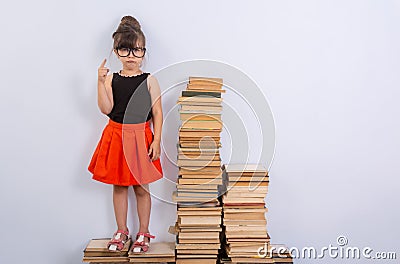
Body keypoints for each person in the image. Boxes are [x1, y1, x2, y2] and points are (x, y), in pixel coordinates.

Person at [88, 15, 163, 253]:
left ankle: (143, 232)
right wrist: (100, 83)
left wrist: (157, 140)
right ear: (116, 51)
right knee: (119, 186)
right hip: (116, 136)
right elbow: (106, 109)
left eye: (137, 51)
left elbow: (158, 112)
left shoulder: (149, 80)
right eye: (125, 50)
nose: (131, 56)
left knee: (141, 187)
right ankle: (121, 231)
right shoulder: (111, 79)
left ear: (144, 52)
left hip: (140, 138)